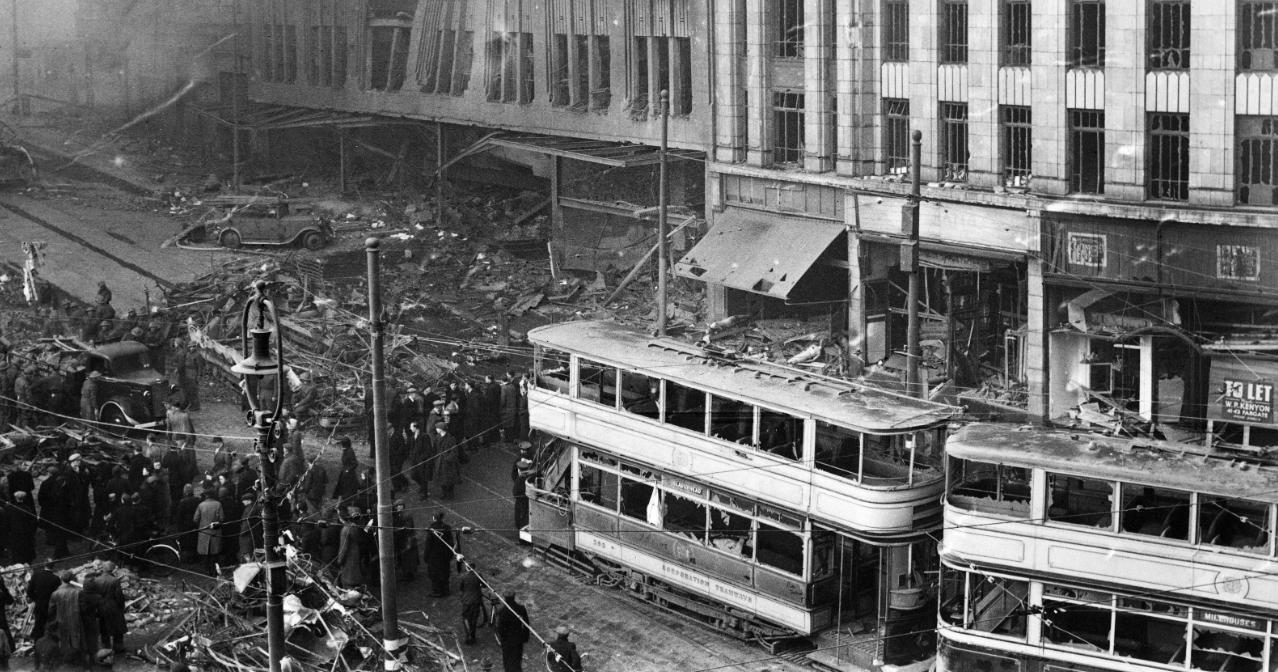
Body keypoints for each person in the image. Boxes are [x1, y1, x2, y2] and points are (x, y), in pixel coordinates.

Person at [48, 571, 86, 667]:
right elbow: (83, 608)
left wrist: (54, 619)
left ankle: (66, 662)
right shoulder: (78, 592)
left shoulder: (55, 593)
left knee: (64, 641)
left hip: (61, 620)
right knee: (77, 640)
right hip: (76, 619)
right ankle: (78, 662)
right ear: (72, 579)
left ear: (61, 579)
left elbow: (51, 610)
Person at [92, 562, 127, 654]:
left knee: (103, 627)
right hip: (113, 606)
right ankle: (118, 647)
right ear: (111, 569)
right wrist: (121, 606)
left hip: (101, 606)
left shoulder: (96, 580)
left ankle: (106, 647)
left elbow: (94, 595)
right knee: (117, 627)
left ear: (103, 569)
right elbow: (119, 595)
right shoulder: (114, 580)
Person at [494, 590, 531, 672]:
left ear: (505, 599)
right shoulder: (521, 608)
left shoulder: (502, 611)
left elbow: (500, 628)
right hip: (518, 639)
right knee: (517, 660)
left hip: (507, 641)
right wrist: (525, 637)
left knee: (507, 662)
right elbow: (526, 624)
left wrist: (501, 640)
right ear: (514, 597)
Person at [423, 512, 455, 597]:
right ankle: (446, 590)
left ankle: (437, 592)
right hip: (445, 556)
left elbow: (428, 545)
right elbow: (451, 542)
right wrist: (450, 554)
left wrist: (426, 557)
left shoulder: (431, 530)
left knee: (435, 575)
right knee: (445, 573)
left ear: (434, 518)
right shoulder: (447, 528)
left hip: (434, 557)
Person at [27, 566, 60, 641]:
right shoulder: (55, 578)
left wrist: (36, 599)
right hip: (51, 607)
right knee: (52, 628)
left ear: (45, 565)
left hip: (39, 606)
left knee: (39, 627)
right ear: (53, 566)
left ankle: (38, 646)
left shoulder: (36, 574)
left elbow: (29, 591)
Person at [194, 490, 223, 576]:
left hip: (204, 532)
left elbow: (195, 519)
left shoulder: (201, 505)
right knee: (214, 552)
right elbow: (222, 518)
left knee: (205, 553)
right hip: (215, 531)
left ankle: (206, 570)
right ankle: (214, 570)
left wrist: (202, 524)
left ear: (206, 496)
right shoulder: (218, 504)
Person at [336, 505, 366, 588]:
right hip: (356, 554)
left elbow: (343, 548)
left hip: (348, 558)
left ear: (341, 517)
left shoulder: (345, 530)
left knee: (348, 581)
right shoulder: (353, 526)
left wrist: (339, 561)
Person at [432, 423, 460, 500]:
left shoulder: (451, 438)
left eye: (437, 428)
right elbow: (434, 449)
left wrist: (447, 459)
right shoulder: (437, 438)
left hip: (448, 463)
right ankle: (444, 492)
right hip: (439, 462)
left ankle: (450, 493)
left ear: (441, 429)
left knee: (449, 479)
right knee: (441, 478)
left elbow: (454, 452)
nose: (436, 429)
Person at [458, 563, 484, 645]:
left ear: (466, 568)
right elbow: (484, 585)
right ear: (474, 568)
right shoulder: (478, 575)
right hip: (476, 601)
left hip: (467, 601)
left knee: (466, 618)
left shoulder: (463, 576)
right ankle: (473, 636)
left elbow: (461, 588)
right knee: (474, 619)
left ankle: (467, 634)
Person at [512, 445, 536, 534]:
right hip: (527, 500)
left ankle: (522, 535)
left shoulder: (519, 480)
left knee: (521, 518)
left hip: (521, 501)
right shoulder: (529, 477)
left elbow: (515, 492)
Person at [408, 420, 433, 498]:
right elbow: (412, 448)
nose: (410, 428)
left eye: (411, 427)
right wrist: (411, 455)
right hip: (415, 459)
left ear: (415, 427)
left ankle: (425, 493)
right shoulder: (413, 437)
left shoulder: (424, 436)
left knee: (423, 476)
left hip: (422, 460)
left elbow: (428, 450)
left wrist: (422, 458)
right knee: (413, 475)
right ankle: (422, 486)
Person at [176, 484, 200, 562]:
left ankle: (188, 557)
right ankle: (195, 555)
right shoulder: (197, 500)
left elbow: (180, 515)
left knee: (187, 541)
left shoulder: (182, 501)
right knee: (194, 539)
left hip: (185, 524)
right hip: (195, 523)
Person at [299, 453, 329, 518]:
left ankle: (316, 520)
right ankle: (320, 519)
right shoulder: (322, 468)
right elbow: (326, 480)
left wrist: (305, 491)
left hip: (312, 494)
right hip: (320, 492)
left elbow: (307, 485)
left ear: (308, 461)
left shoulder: (310, 471)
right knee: (319, 507)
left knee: (312, 509)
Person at [179, 342, 202, 412]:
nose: (191, 348)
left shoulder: (198, 355)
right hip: (187, 373)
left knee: (194, 390)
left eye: (193, 347)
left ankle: (196, 406)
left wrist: (199, 376)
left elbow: (200, 367)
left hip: (193, 373)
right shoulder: (188, 354)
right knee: (188, 390)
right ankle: (191, 404)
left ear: (195, 347)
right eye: (190, 347)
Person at [500, 372, 520, 443]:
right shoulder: (512, 386)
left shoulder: (503, 388)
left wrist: (500, 408)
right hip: (513, 407)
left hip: (506, 409)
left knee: (506, 425)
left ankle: (507, 439)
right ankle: (511, 437)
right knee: (511, 424)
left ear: (502, 381)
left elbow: (502, 400)